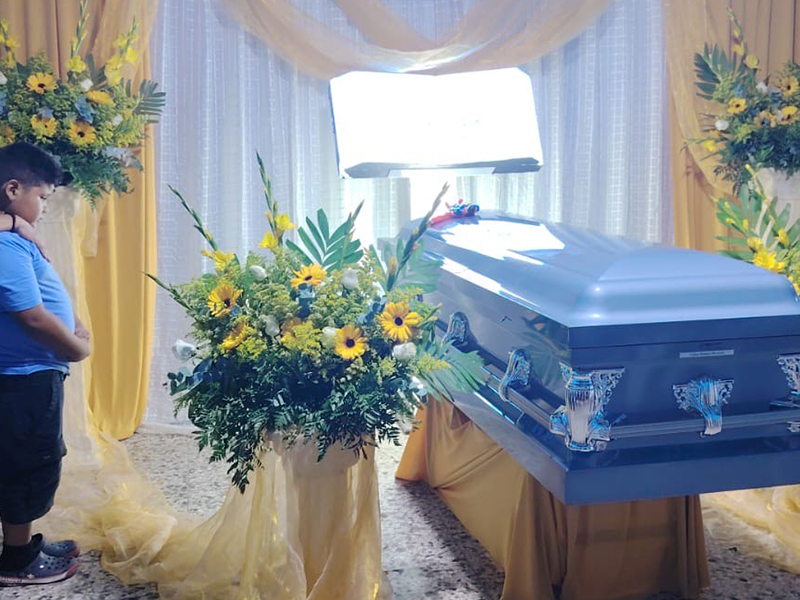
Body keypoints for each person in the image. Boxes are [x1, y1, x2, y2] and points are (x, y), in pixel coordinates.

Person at [0, 142, 91, 585]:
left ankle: (20, 542)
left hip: (33, 373)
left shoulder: (13, 234)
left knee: (30, 458)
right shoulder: (5, 244)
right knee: (27, 463)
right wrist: (74, 348)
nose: (46, 209)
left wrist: (72, 320)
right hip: (23, 379)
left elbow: (42, 292)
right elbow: (32, 315)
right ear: (12, 188)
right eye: (43, 199)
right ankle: (16, 561)